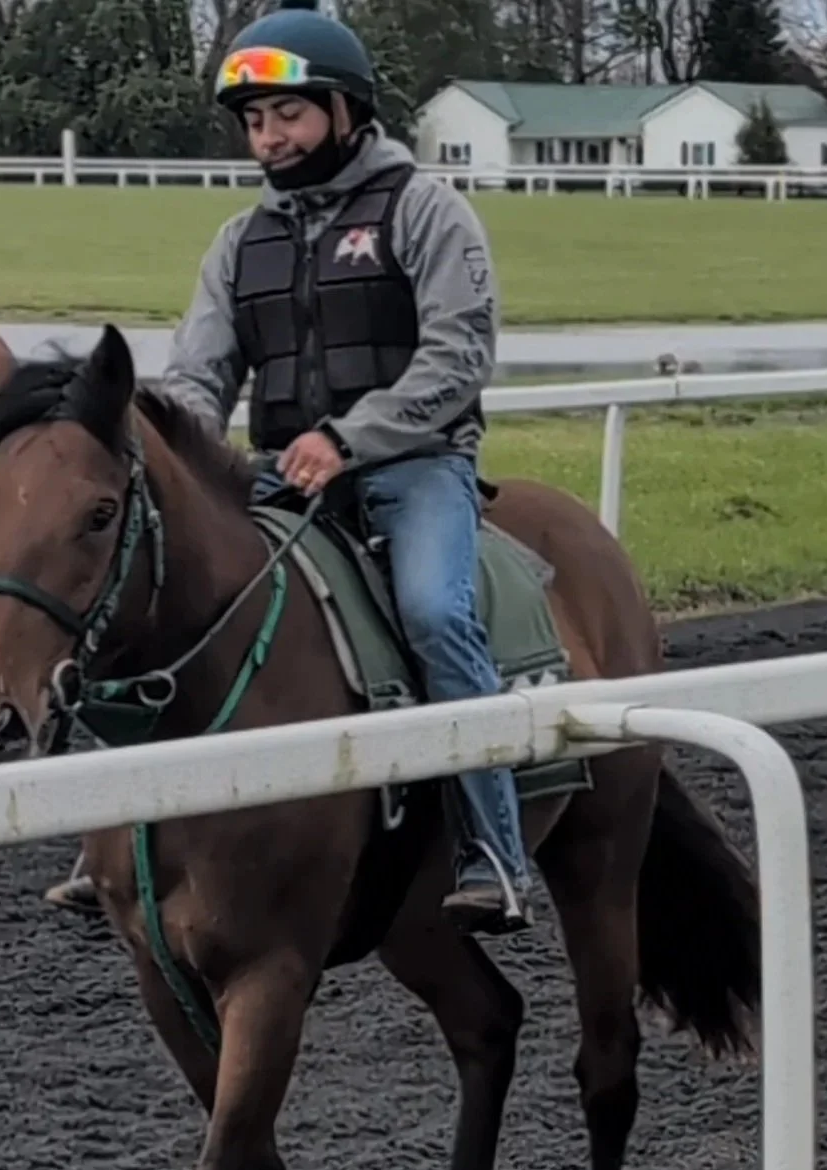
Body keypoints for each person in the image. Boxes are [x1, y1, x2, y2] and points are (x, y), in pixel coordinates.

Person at [138, 0, 531, 934]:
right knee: (162, 597)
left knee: (436, 614)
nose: (268, 138)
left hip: (415, 466)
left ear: (346, 111)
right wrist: (158, 442)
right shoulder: (240, 243)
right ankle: (117, 841)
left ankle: (496, 851)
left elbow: (458, 355)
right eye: (255, 121)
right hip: (285, 474)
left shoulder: (424, 209)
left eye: (288, 114)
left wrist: (352, 437)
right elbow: (199, 376)